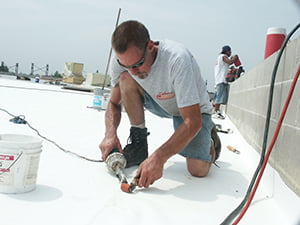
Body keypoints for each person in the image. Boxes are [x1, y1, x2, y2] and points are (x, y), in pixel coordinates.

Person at [99, 20, 221, 189]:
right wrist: (110, 134)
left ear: (150, 46)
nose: (133, 71)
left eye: (137, 64)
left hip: (191, 112)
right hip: (158, 101)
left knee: (197, 170)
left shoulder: (177, 59)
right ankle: (139, 145)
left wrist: (159, 157)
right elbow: (113, 102)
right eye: (126, 65)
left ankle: (210, 141)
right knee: (125, 79)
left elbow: (192, 121)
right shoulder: (122, 61)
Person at [213, 45, 239, 119]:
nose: (230, 53)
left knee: (218, 96)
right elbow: (230, 62)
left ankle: (216, 111)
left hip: (219, 80)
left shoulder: (219, 57)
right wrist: (235, 57)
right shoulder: (223, 56)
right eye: (229, 51)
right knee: (220, 96)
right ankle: (216, 112)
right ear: (226, 51)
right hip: (221, 80)